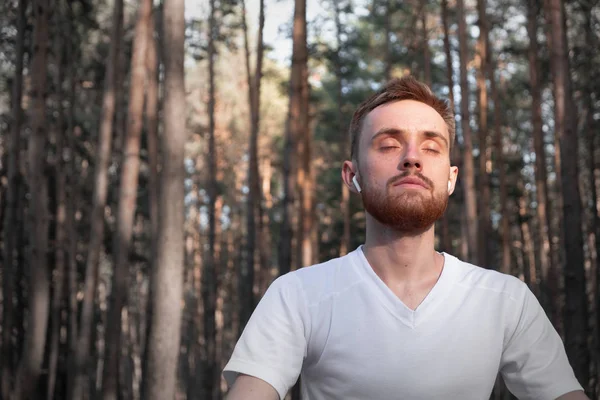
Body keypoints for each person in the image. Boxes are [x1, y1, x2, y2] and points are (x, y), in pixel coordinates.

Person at [222, 76, 588, 400]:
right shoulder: (298, 295)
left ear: (452, 178)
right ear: (352, 176)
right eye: (389, 145)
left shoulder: (506, 300)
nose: (412, 158)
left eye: (431, 147)